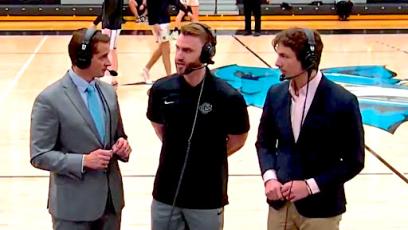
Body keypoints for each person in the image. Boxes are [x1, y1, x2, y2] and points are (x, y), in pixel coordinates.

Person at [256, 27, 365, 230]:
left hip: (322, 209)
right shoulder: (275, 94)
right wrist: (269, 178)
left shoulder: (343, 101)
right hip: (280, 206)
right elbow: (264, 143)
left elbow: (354, 161)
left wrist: (309, 186)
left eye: (284, 56)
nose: (277, 63)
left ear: (308, 59)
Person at [147, 22, 250, 230]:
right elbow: (159, 127)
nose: (179, 56)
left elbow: (238, 139)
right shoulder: (161, 90)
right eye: (178, 48)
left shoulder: (228, 97)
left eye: (187, 50)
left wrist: (206, 154)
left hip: (207, 197)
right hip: (166, 193)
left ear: (206, 53)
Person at [30, 28, 132, 230]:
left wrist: (123, 146)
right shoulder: (49, 100)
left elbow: (119, 136)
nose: (109, 62)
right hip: (73, 211)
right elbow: (39, 155)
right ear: (83, 58)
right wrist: (84, 161)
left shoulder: (108, 93)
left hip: (111, 205)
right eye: (103, 56)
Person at [92, 0, 124, 88]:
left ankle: (112, 76)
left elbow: (113, 10)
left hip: (113, 26)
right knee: (109, 50)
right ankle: (108, 74)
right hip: (108, 25)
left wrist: (96, 23)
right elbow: (105, 10)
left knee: (111, 51)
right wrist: (96, 22)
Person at [141, 0, 172, 84]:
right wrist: (155, 22)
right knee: (166, 49)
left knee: (163, 48)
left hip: (165, 20)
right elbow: (150, 5)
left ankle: (146, 69)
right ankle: (169, 77)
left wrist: (186, 11)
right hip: (159, 22)